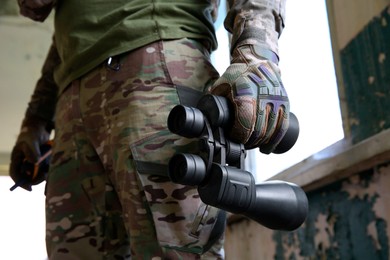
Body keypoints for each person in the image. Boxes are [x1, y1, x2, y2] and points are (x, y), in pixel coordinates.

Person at [10, 0, 289, 259]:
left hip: (155, 67)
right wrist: (36, 118)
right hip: (71, 100)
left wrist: (257, 52)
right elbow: (73, 30)